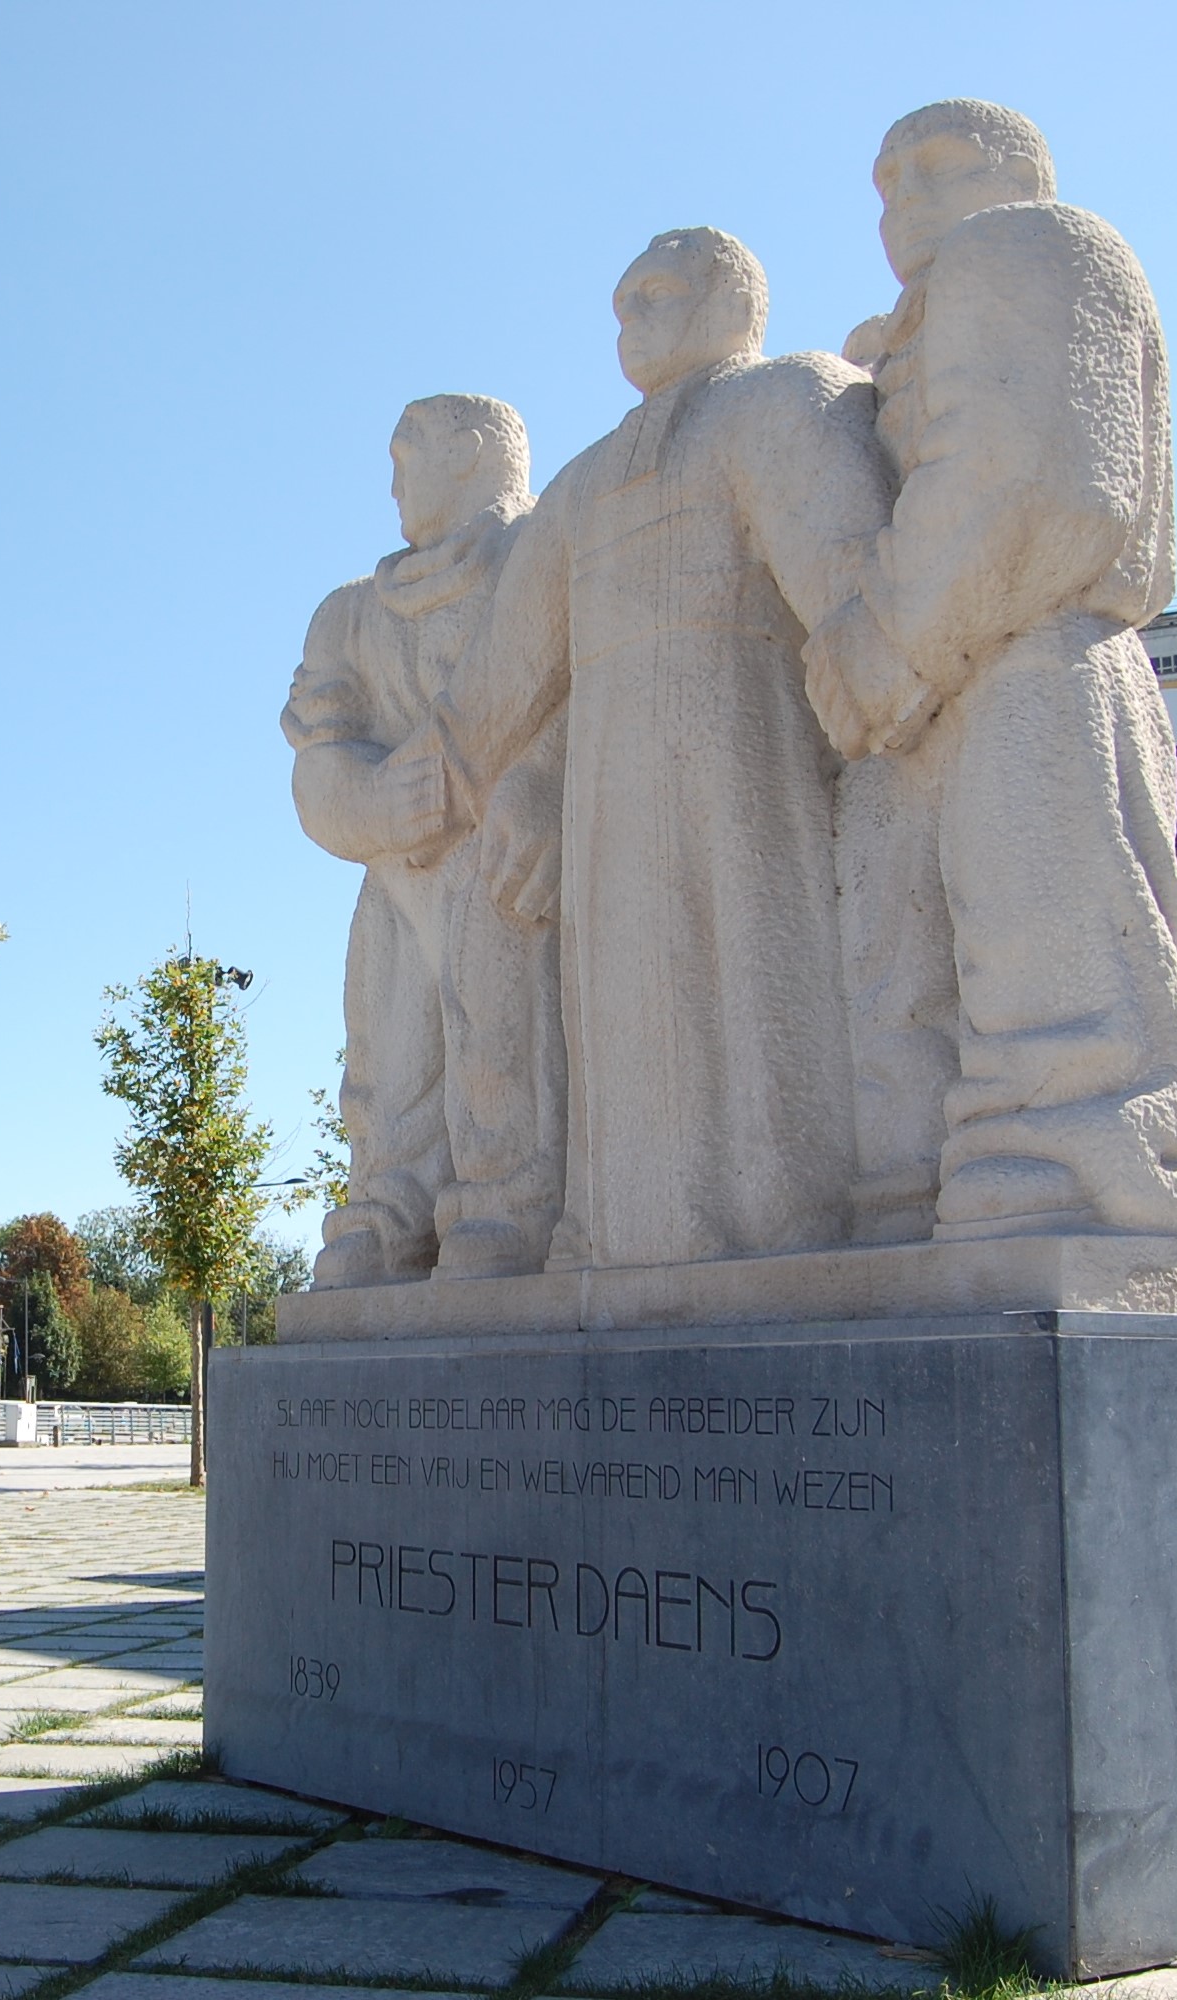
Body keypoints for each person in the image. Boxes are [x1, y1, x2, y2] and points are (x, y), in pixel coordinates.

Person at [431, 228, 896, 1270]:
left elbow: (858, 596)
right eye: (618, 303)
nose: (627, 317)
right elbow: (504, 687)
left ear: (731, 296)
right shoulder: (583, 483)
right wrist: (511, 780)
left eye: (653, 292)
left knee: (755, 986)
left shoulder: (785, 400)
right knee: (628, 1025)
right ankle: (621, 1239)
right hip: (606, 799)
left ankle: (789, 1225)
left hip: (751, 758)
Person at [806, 100, 1177, 1240]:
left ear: (1017, 170)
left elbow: (1034, 475)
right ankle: (942, 1180)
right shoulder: (907, 324)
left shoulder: (1031, 244)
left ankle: (1073, 1156)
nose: (901, 196)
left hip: (1022, 652)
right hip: (937, 685)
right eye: (882, 179)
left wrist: (879, 646)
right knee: (903, 975)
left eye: (935, 164)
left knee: (1048, 950)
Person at [282, 395, 567, 1287]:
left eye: (408, 456)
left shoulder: (551, 552)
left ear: (474, 451)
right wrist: (373, 803)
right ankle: (388, 1207)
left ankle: (507, 1201)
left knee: (507, 1026)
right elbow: (317, 764)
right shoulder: (350, 613)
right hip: (396, 882)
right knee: (389, 1050)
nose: (393, 482)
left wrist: (547, 785)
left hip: (515, 853)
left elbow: (600, 686)